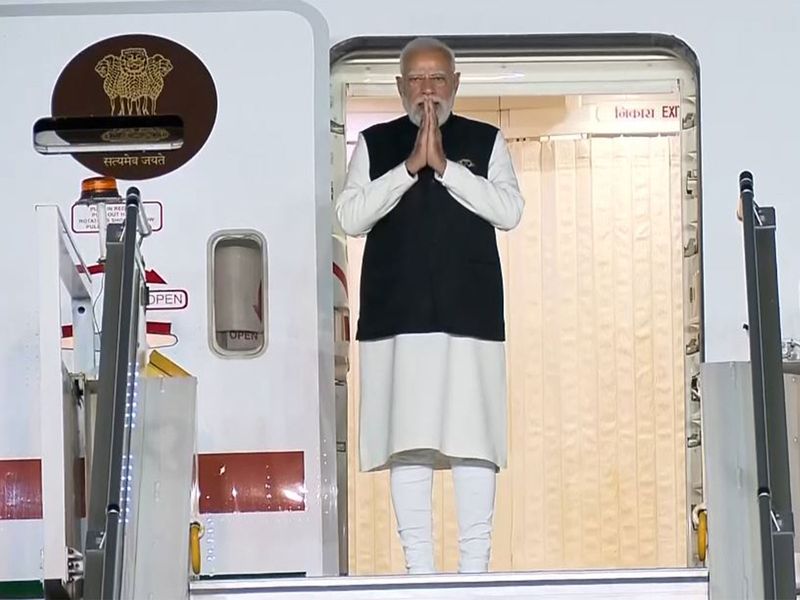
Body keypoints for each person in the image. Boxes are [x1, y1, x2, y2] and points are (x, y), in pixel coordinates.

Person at [334, 36, 525, 575]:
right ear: (400, 87)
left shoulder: (485, 140)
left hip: (471, 319)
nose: (427, 90)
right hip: (397, 319)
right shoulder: (375, 143)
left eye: (437, 78)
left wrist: (444, 167)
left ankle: (474, 575)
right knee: (409, 442)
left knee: (472, 440)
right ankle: (419, 575)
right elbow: (350, 217)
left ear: (455, 84)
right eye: (416, 79)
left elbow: (509, 211)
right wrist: (408, 167)